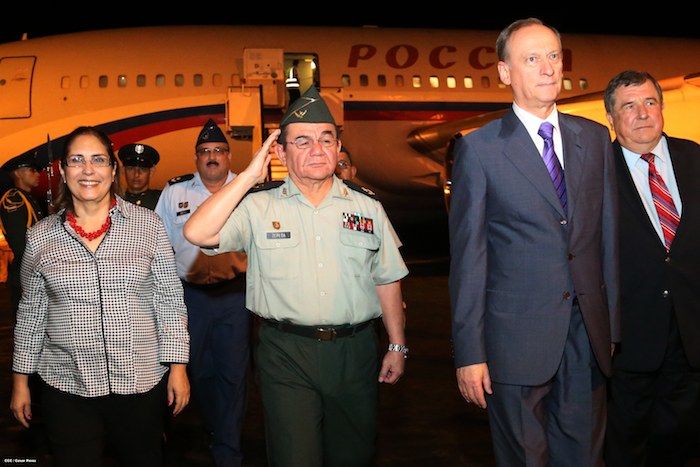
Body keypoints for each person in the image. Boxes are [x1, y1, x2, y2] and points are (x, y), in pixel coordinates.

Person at [182, 86, 409, 467]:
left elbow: (386, 278)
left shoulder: (367, 207)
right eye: (302, 141)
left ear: (338, 147)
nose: (317, 149)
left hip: (354, 351)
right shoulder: (258, 205)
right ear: (281, 153)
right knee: (294, 456)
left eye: (326, 139)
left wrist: (397, 345)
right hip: (285, 351)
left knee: (353, 455)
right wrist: (248, 176)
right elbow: (197, 232)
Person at [448, 18, 619, 467]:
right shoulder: (480, 150)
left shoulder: (594, 138)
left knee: (586, 458)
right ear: (505, 72)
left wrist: (612, 327)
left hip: (586, 338)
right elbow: (469, 260)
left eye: (553, 56)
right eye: (531, 59)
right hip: (513, 343)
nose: (547, 68)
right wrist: (470, 352)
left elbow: (606, 240)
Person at [9, 126, 190, 467]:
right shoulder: (40, 237)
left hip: (140, 382)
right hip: (67, 385)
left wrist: (178, 367)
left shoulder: (149, 226)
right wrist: (20, 381)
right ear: (64, 171)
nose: (88, 170)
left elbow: (169, 301)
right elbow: (31, 314)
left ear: (112, 169)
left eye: (98, 160)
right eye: (77, 160)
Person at [602, 70, 700, 467]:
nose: (642, 113)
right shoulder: (596, 171)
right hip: (627, 342)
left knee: (680, 447)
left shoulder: (694, 157)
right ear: (611, 118)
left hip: (690, 337)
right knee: (623, 449)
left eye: (649, 102)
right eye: (629, 106)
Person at [154, 118, 250, 467]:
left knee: (233, 374)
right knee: (200, 372)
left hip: (234, 296)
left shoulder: (246, 191)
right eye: (205, 151)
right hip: (189, 298)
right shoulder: (174, 192)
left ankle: (228, 450)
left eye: (219, 151)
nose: (212, 157)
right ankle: (214, 427)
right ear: (196, 158)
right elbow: (159, 244)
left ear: (229, 156)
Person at [0, 153, 44, 320]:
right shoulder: (15, 200)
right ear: (18, 173)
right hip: (26, 278)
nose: (37, 174)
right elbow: (20, 246)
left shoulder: (27, 198)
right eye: (32, 170)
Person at [117, 143, 162, 210]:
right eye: (131, 169)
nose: (136, 174)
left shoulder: (162, 199)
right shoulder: (116, 201)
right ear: (123, 170)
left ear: (151, 172)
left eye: (142, 169)